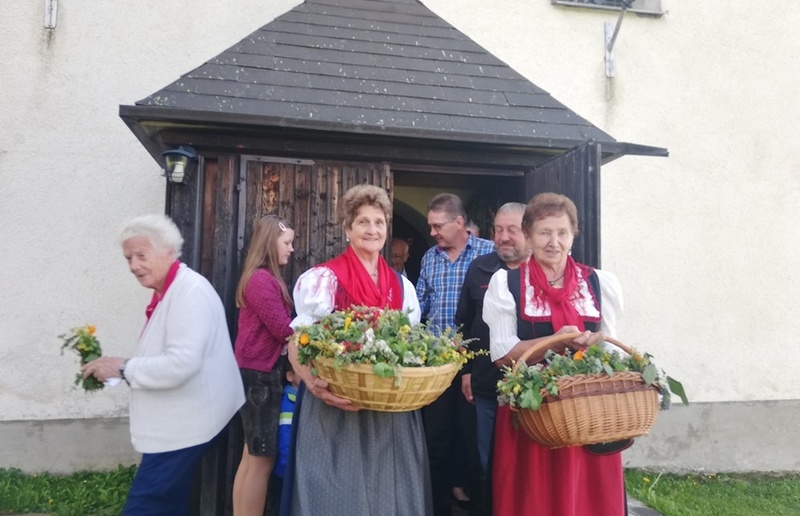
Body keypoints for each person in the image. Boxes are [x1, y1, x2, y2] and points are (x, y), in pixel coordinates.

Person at [281, 184, 431, 516]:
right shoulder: (324, 278)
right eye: (363, 222)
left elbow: (410, 345)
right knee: (336, 493)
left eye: (379, 222)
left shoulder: (402, 286)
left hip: (389, 407)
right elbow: (297, 342)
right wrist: (314, 386)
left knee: (390, 492)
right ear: (347, 229)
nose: (372, 230)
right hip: (336, 404)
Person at [81, 214, 245, 515]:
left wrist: (122, 368)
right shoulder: (170, 291)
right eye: (128, 258)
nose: (133, 266)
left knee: (146, 506)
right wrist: (118, 369)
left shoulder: (190, 293)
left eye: (141, 256)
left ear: (168, 252)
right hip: (180, 422)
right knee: (168, 504)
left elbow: (180, 364)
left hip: (184, 426)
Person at [483, 193, 624, 516]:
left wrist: (596, 344)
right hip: (532, 415)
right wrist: (554, 342)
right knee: (534, 499)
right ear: (528, 235)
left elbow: (612, 351)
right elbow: (503, 356)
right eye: (544, 232)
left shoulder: (599, 283)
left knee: (588, 500)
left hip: (588, 415)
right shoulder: (507, 283)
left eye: (562, 232)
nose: (554, 242)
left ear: (573, 235)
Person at [415, 193, 495, 516]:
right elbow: (419, 307)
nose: (432, 232)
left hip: (476, 364)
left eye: (438, 226)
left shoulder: (489, 253)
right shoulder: (429, 258)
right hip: (438, 366)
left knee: (475, 444)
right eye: (430, 226)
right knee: (436, 442)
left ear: (459, 222)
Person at [454, 202, 527, 515]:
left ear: (529, 232)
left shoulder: (541, 273)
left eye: (512, 230)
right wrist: (466, 370)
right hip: (487, 386)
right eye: (498, 229)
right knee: (487, 464)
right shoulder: (480, 268)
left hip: (533, 391)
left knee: (528, 467)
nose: (503, 236)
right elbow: (464, 323)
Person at [232, 215, 296, 516]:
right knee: (262, 460)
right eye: (287, 242)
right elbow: (282, 329)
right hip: (260, 377)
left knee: (251, 457)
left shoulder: (261, 278)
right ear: (271, 243)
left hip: (254, 374)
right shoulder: (261, 280)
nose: (291, 249)